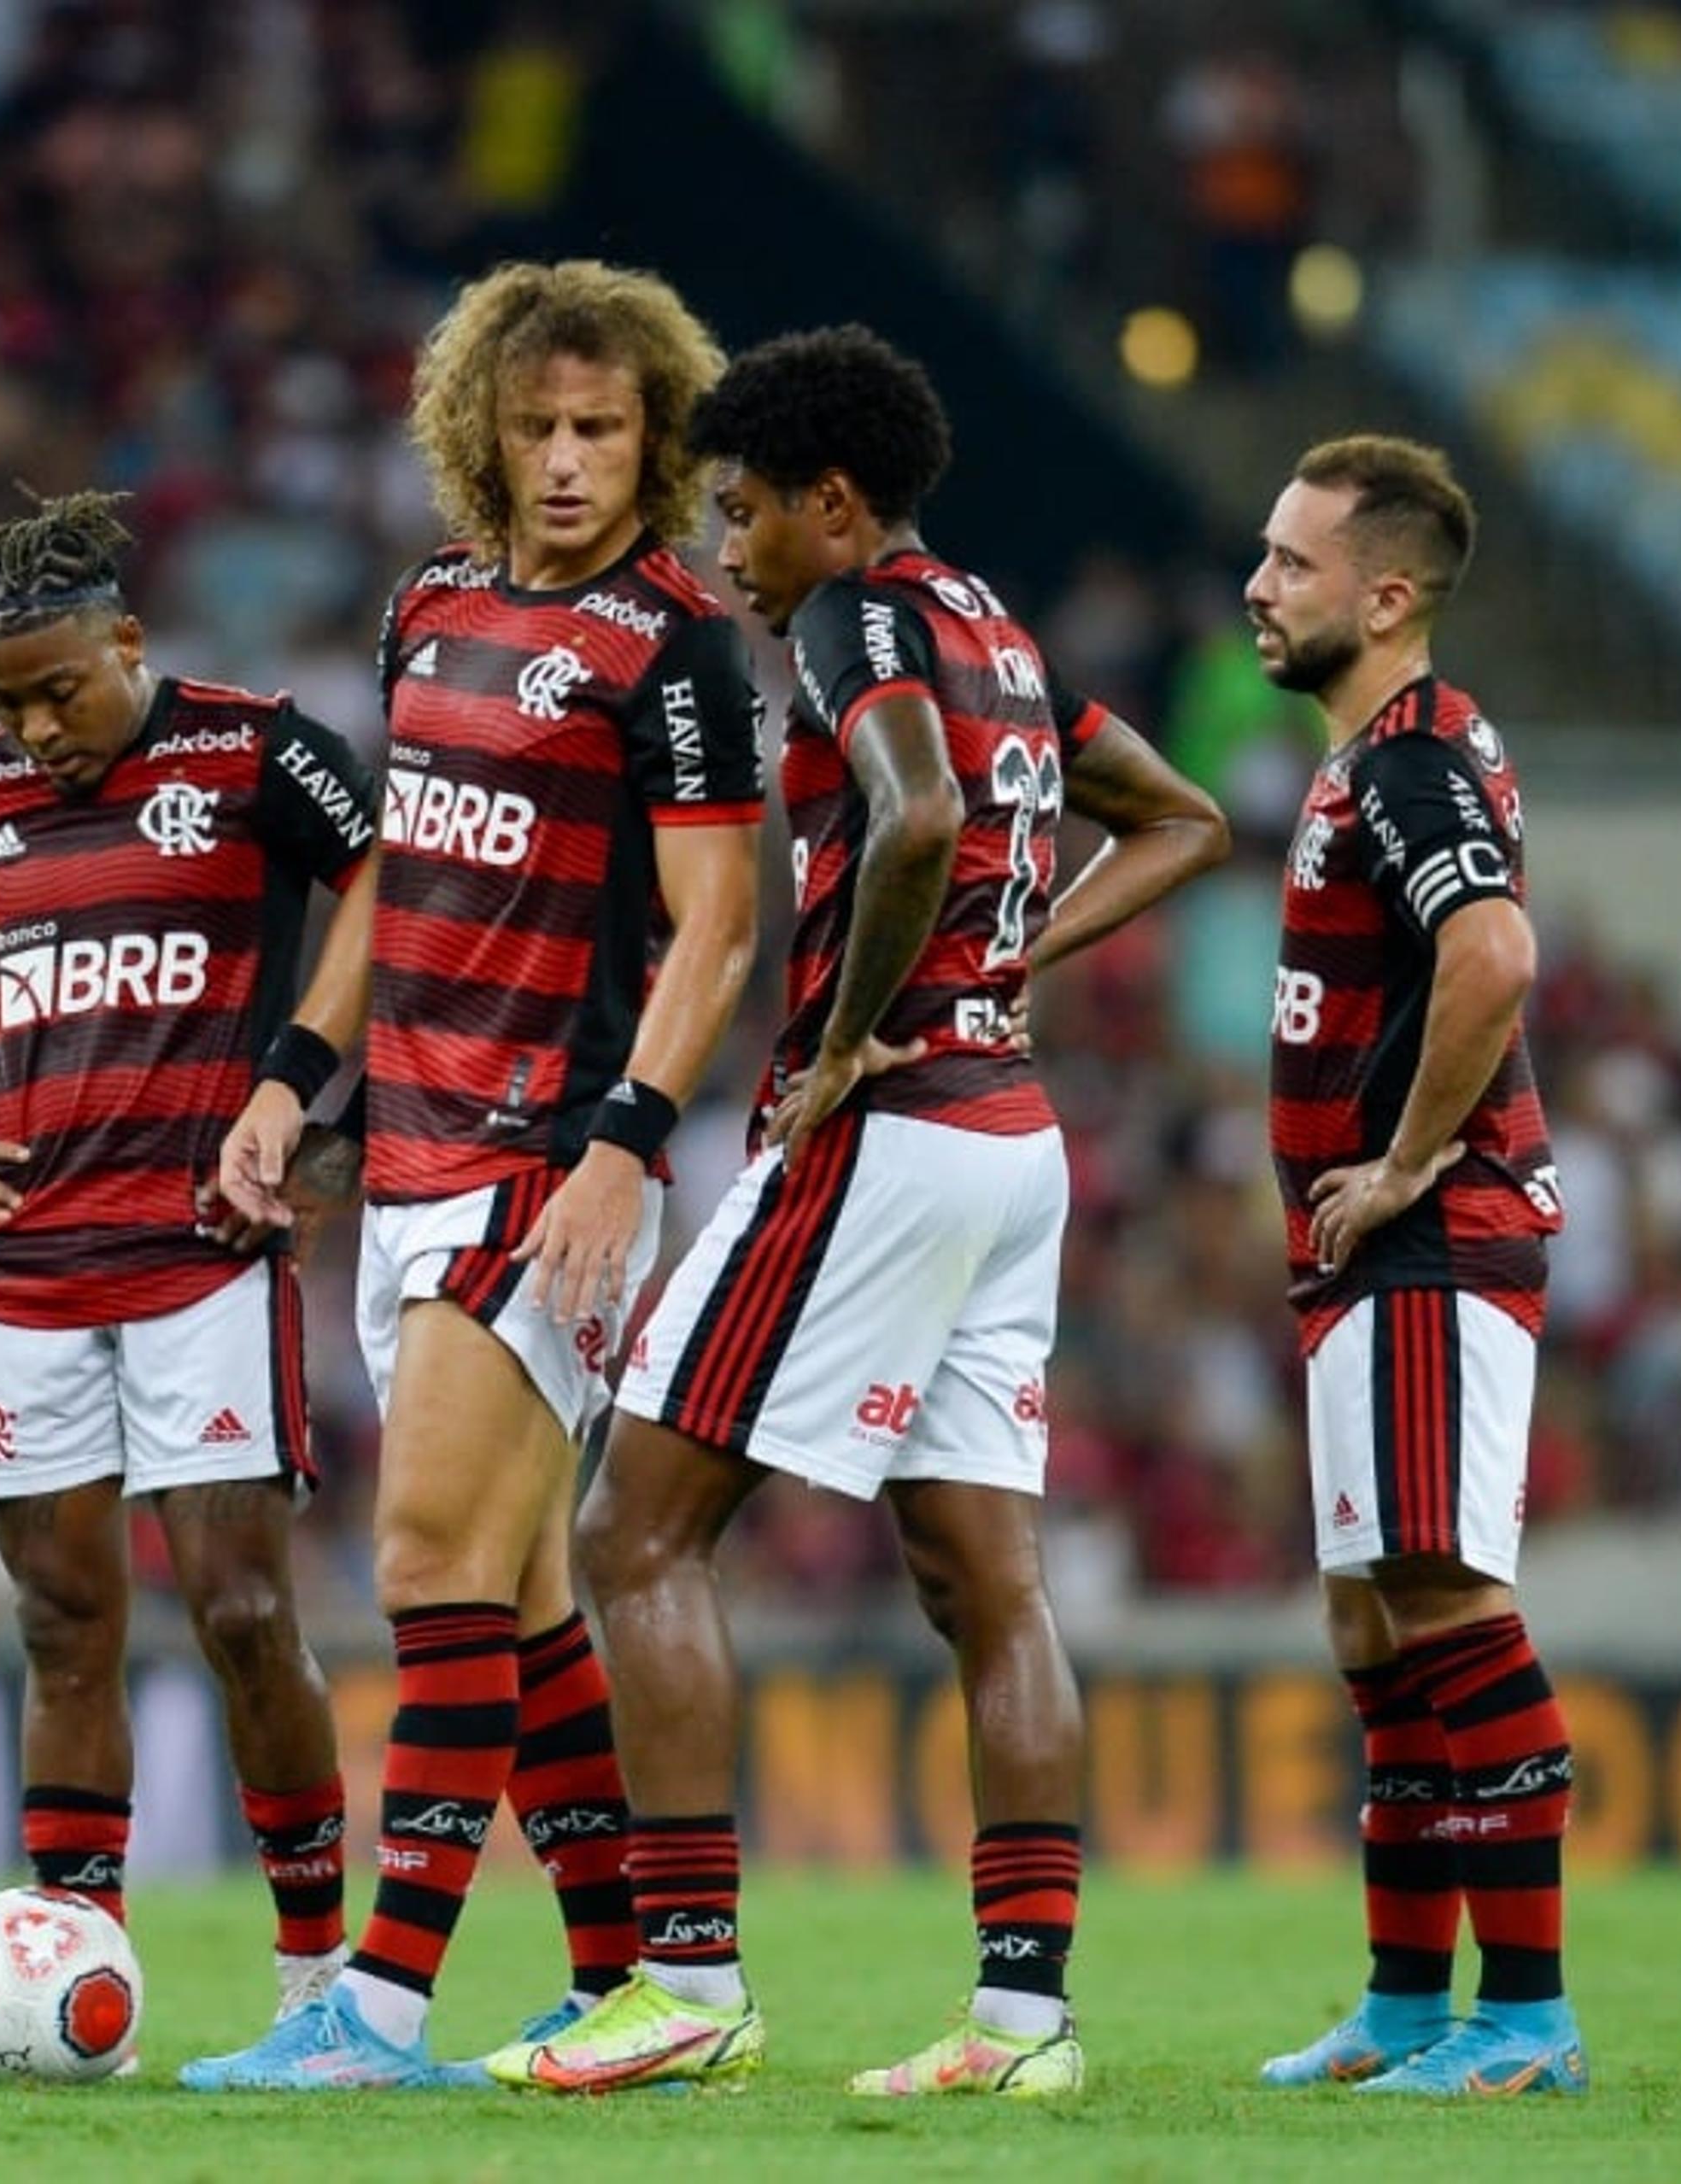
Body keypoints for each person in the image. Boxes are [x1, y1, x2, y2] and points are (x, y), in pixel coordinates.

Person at [497, 324, 1231, 2099]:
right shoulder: (996, 622)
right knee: (989, 1583)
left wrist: (839, 1039)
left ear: (836, 503)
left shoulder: (867, 619)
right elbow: (1183, 818)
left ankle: (683, 1979)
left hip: (890, 1129)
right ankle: (1025, 2021)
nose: (729, 554)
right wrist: (1004, 962)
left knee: (633, 1533)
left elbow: (910, 818)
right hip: (1012, 1136)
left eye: (744, 513)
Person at [181, 258, 766, 2093]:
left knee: (426, 1554)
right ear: (482, 436)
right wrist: (293, 1071)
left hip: (547, 1154)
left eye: (606, 429)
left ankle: (376, 2007)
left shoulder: (675, 645)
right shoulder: (429, 606)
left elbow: (719, 926)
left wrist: (627, 1144)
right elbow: (403, 881)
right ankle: (629, 1985)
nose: (574, 461)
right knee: (513, 1604)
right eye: (542, 428)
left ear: (655, 440)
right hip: (412, 1149)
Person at [0, 489, 379, 2037]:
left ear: (130, 637)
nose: (37, 723)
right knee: (62, 1623)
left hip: (200, 1252)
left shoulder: (253, 748)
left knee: (243, 1613)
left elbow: (388, 876)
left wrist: (293, 1079)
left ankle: (317, 1981)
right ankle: (76, 1970)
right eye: (7, 697)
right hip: (26, 1267)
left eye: (61, 686)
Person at [1240, 434, 1586, 2097]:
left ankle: (1524, 2018)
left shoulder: (1412, 760)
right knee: (1376, 1623)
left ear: (1386, 597)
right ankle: (1401, 2004)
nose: (1258, 585)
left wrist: (1407, 1157)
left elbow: (1496, 949)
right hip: (1372, 1263)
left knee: (1446, 1598)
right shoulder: (1375, 752)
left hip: (1434, 1245)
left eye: (1293, 563)